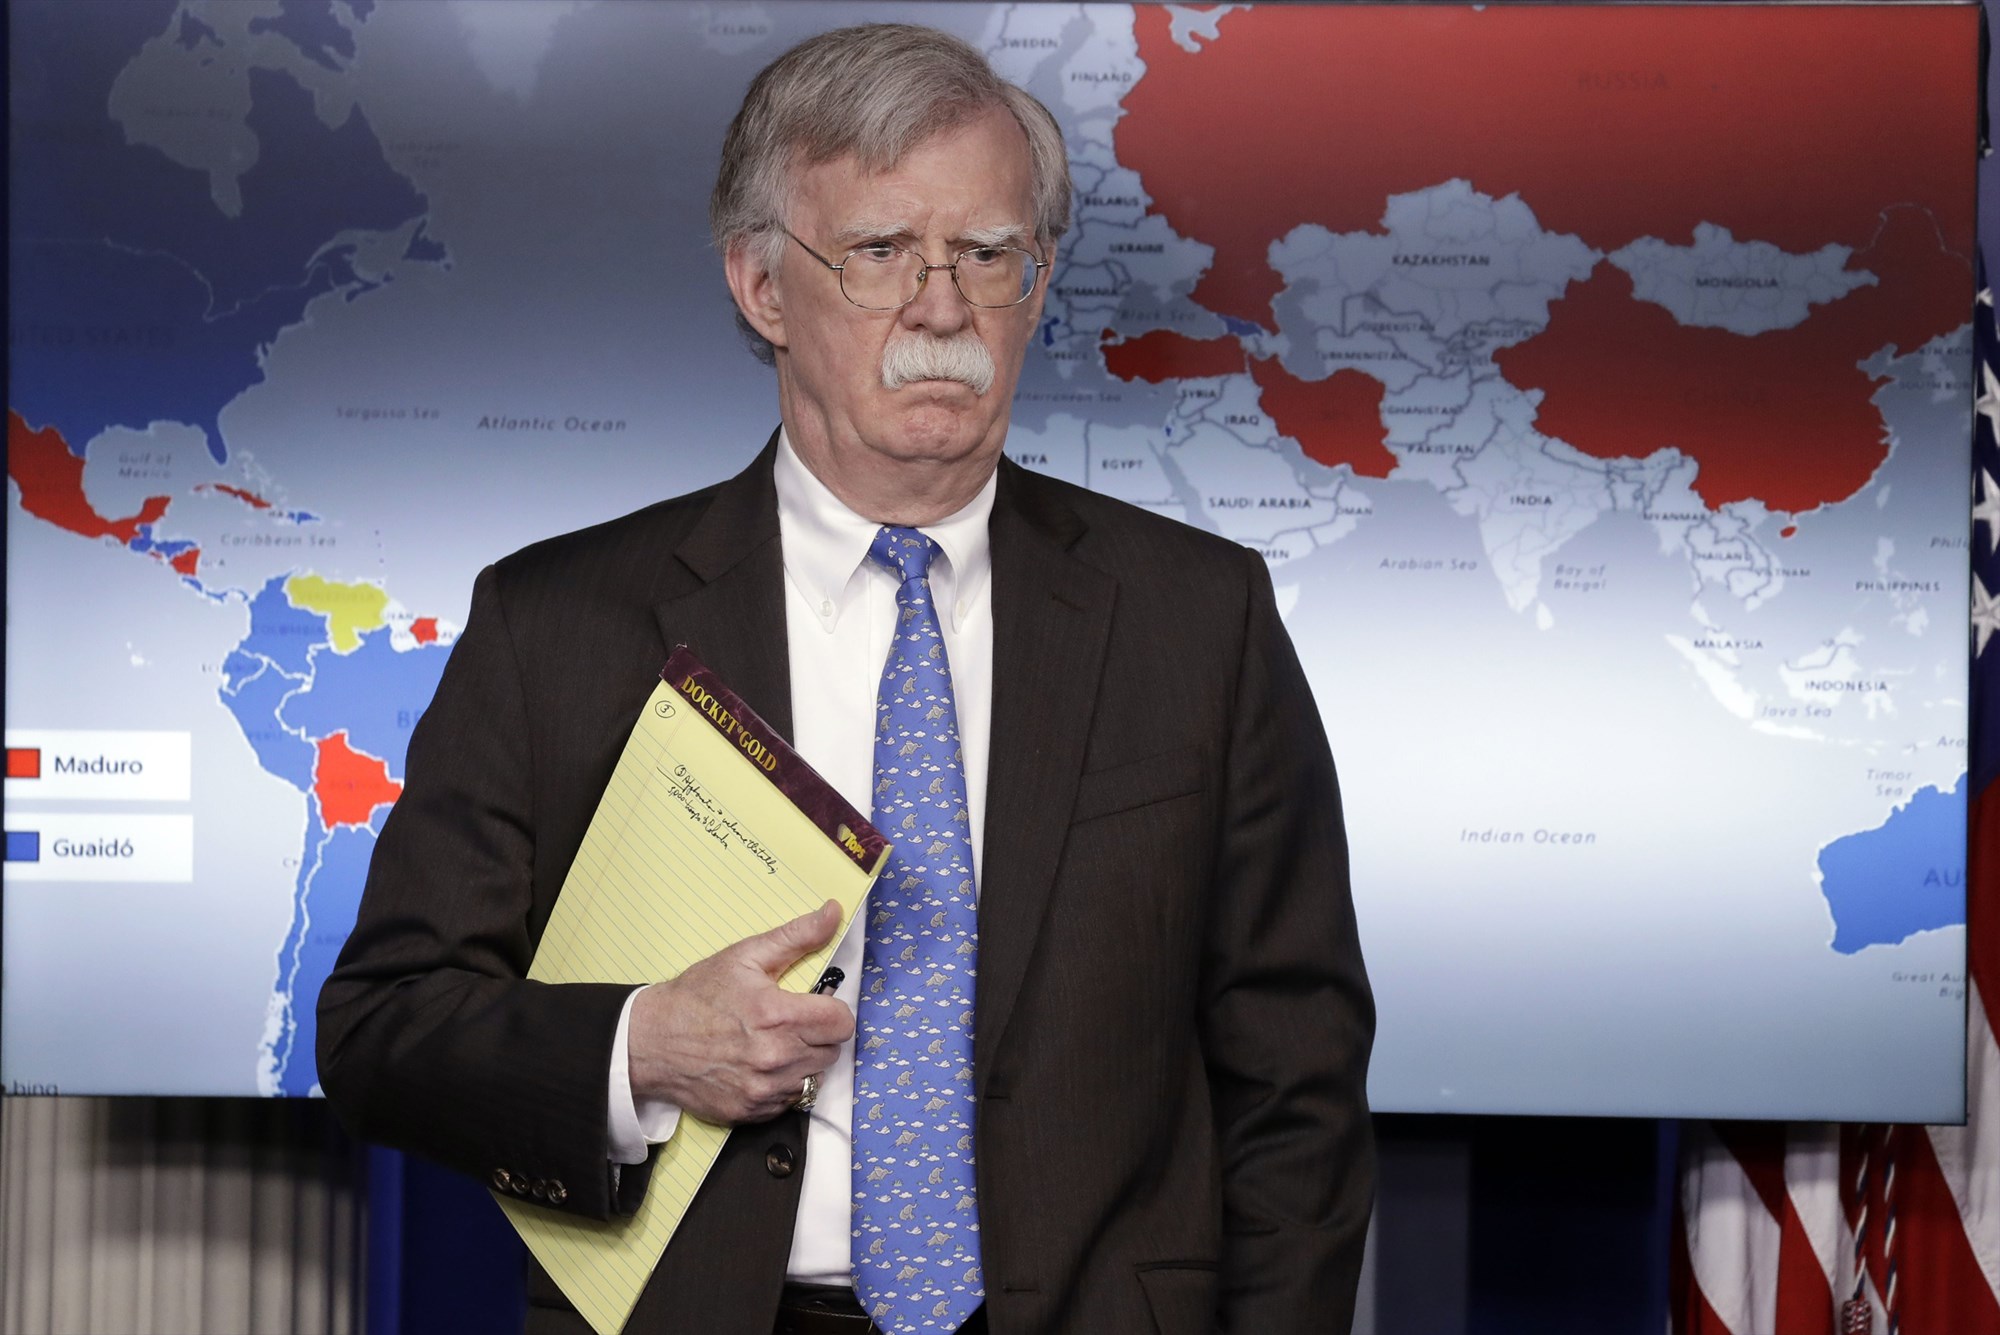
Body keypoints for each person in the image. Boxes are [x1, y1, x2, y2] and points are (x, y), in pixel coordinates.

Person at [318, 23, 1373, 1335]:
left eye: (987, 253)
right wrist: (642, 1049)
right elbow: (382, 1035)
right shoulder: (559, 626)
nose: (943, 307)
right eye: (879, 252)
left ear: (1037, 281)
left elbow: (1297, 1078)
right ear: (762, 285)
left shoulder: (1199, 618)